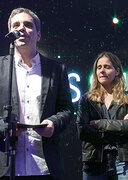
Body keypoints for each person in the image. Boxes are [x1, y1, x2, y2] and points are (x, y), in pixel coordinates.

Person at [0, 7, 74, 180]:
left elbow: (67, 109)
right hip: (6, 167)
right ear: (10, 32)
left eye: (27, 24)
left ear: (38, 34)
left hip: (44, 166)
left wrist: (53, 124)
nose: (21, 28)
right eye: (16, 25)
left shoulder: (57, 69)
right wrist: (6, 128)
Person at [76, 51, 128, 180]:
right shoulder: (87, 99)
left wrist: (100, 124)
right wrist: (121, 129)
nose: (102, 71)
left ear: (117, 71)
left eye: (107, 67)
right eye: (99, 67)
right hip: (94, 164)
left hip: (123, 163)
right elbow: (82, 131)